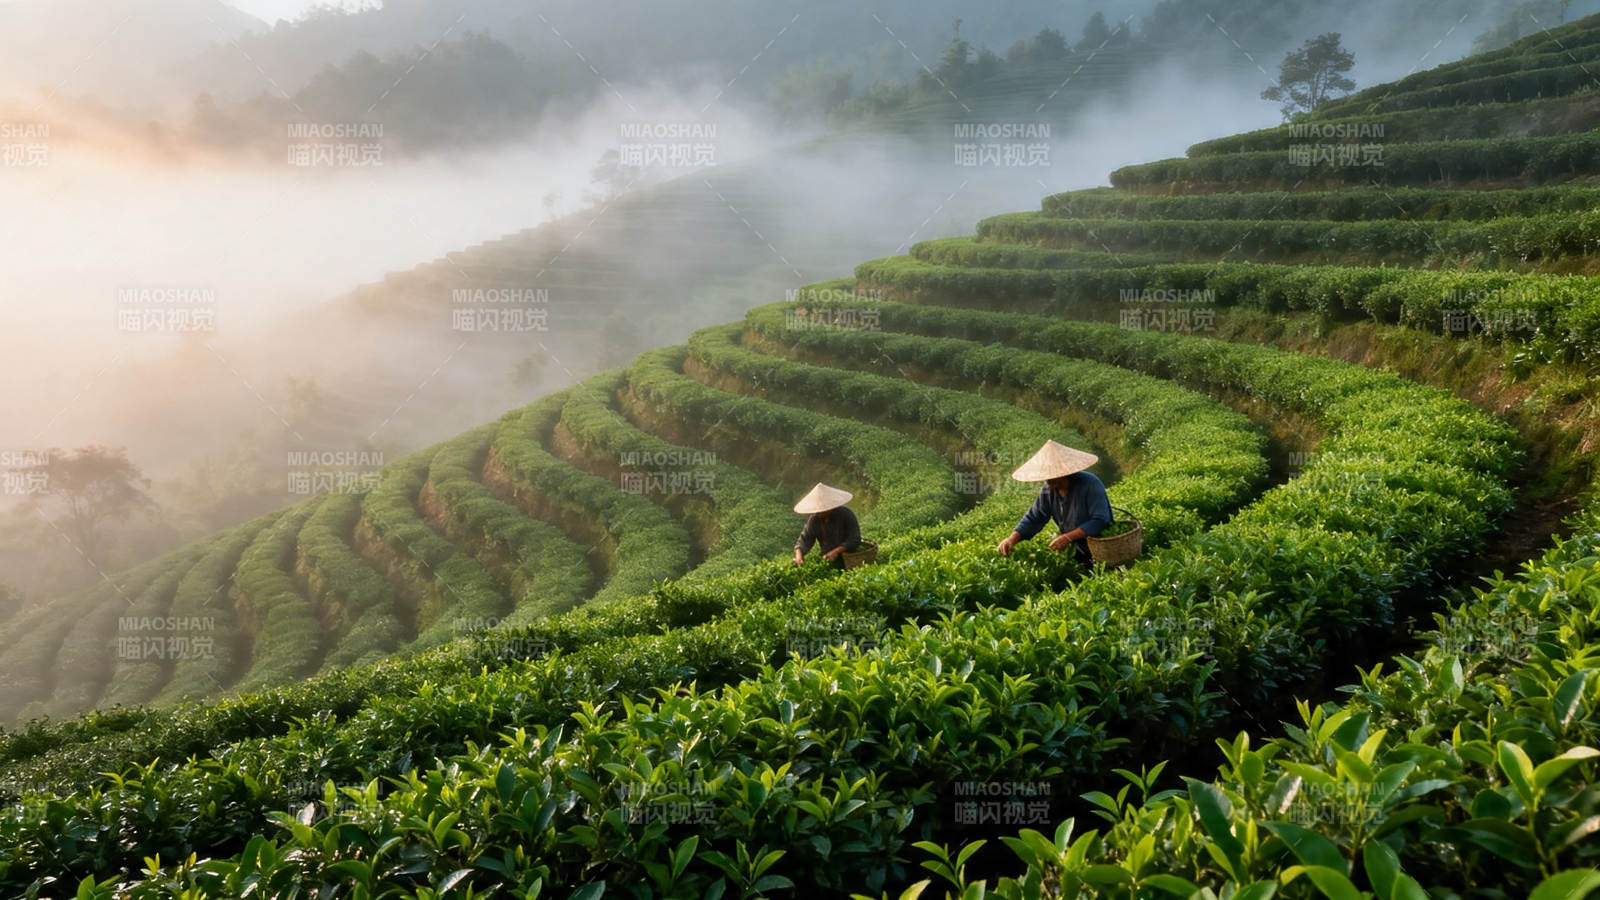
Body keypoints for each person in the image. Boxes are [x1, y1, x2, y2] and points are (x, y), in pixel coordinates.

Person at [996, 440, 1112, 563]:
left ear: (1064, 471)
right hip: (1075, 551)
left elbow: (1101, 520)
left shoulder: (1090, 483)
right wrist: (1012, 539)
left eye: (1052, 474)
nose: (1048, 479)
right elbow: (1034, 517)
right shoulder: (1049, 489)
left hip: (1102, 548)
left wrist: (1067, 537)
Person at [792, 482, 861, 567]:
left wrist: (836, 551)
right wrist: (799, 555)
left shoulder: (846, 514)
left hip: (849, 559)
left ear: (830, 506)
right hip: (827, 560)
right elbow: (805, 540)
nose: (819, 512)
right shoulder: (815, 519)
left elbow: (855, 539)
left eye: (822, 509)